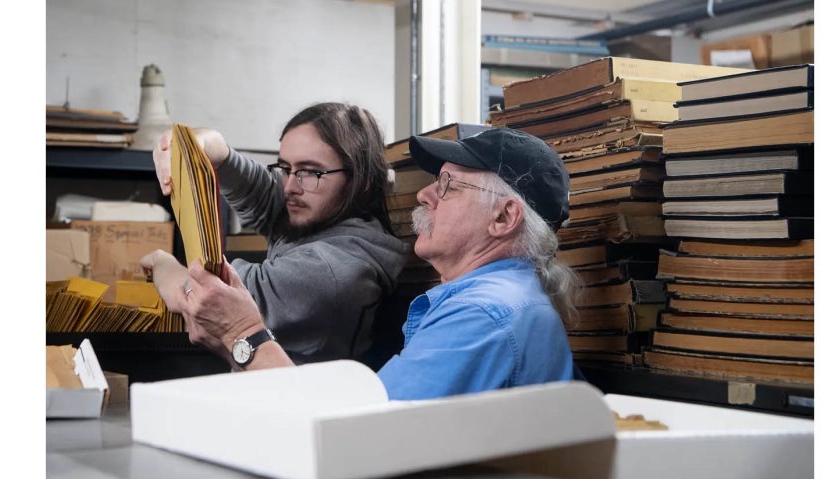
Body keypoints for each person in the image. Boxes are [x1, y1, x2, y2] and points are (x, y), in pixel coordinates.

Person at [176, 127, 581, 400]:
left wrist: (242, 334)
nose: (424, 195)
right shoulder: (503, 299)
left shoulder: (482, 315)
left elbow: (362, 437)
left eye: (448, 185)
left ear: (504, 218)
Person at [142, 102, 406, 365]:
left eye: (310, 171)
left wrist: (161, 262)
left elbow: (206, 293)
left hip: (287, 392)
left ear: (361, 180)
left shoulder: (329, 269)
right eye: (285, 168)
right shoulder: (322, 215)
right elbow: (232, 166)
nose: (290, 186)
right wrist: (195, 144)